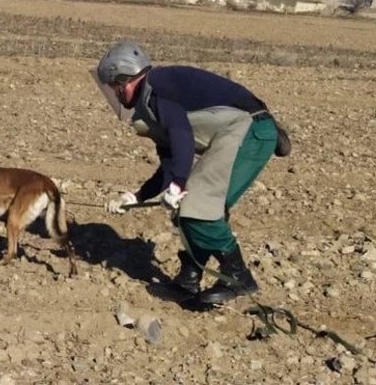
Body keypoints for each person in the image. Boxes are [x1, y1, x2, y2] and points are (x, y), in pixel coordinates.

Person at [94, 40, 289, 306]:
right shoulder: (151, 103)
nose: (115, 95)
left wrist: (178, 186)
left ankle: (238, 276)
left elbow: (182, 135)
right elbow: (170, 163)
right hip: (237, 133)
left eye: (115, 87)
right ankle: (190, 277)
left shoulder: (156, 89)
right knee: (193, 206)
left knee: (198, 205)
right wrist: (137, 196)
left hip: (250, 132)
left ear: (124, 79)